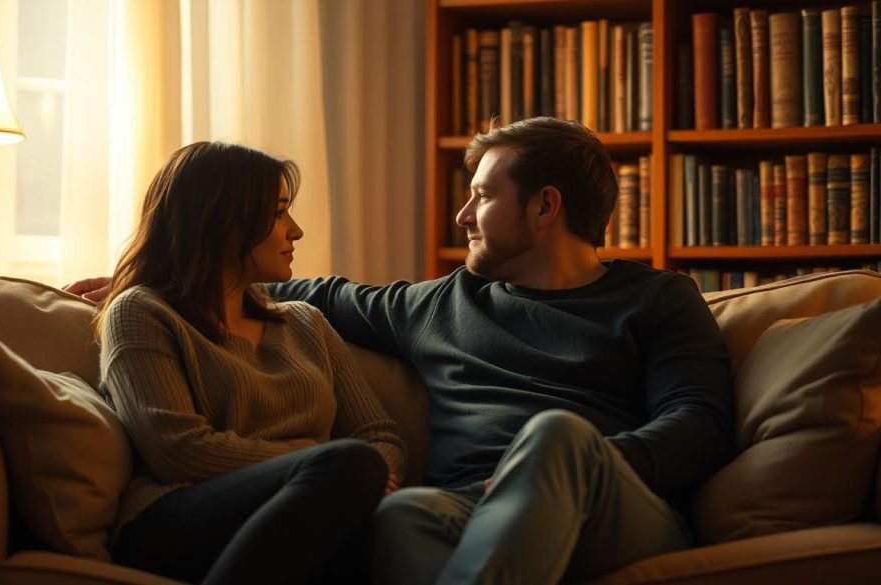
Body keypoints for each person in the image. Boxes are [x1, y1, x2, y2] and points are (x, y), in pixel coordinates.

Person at [69, 118, 734, 585]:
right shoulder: (442, 303)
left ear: (544, 207)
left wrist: (569, 463)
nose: (462, 215)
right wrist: (164, 274)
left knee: (557, 435)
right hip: (465, 508)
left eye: (482, 195)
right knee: (402, 512)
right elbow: (316, 292)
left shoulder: (658, 299)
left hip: (610, 504)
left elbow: (702, 423)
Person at [93, 140, 406, 585]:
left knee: (370, 526)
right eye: (279, 213)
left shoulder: (305, 323)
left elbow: (380, 435)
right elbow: (178, 451)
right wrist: (319, 460)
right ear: (221, 221)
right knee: (351, 468)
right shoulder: (143, 313)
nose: (296, 231)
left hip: (309, 505)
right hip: (176, 518)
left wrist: (363, 475)